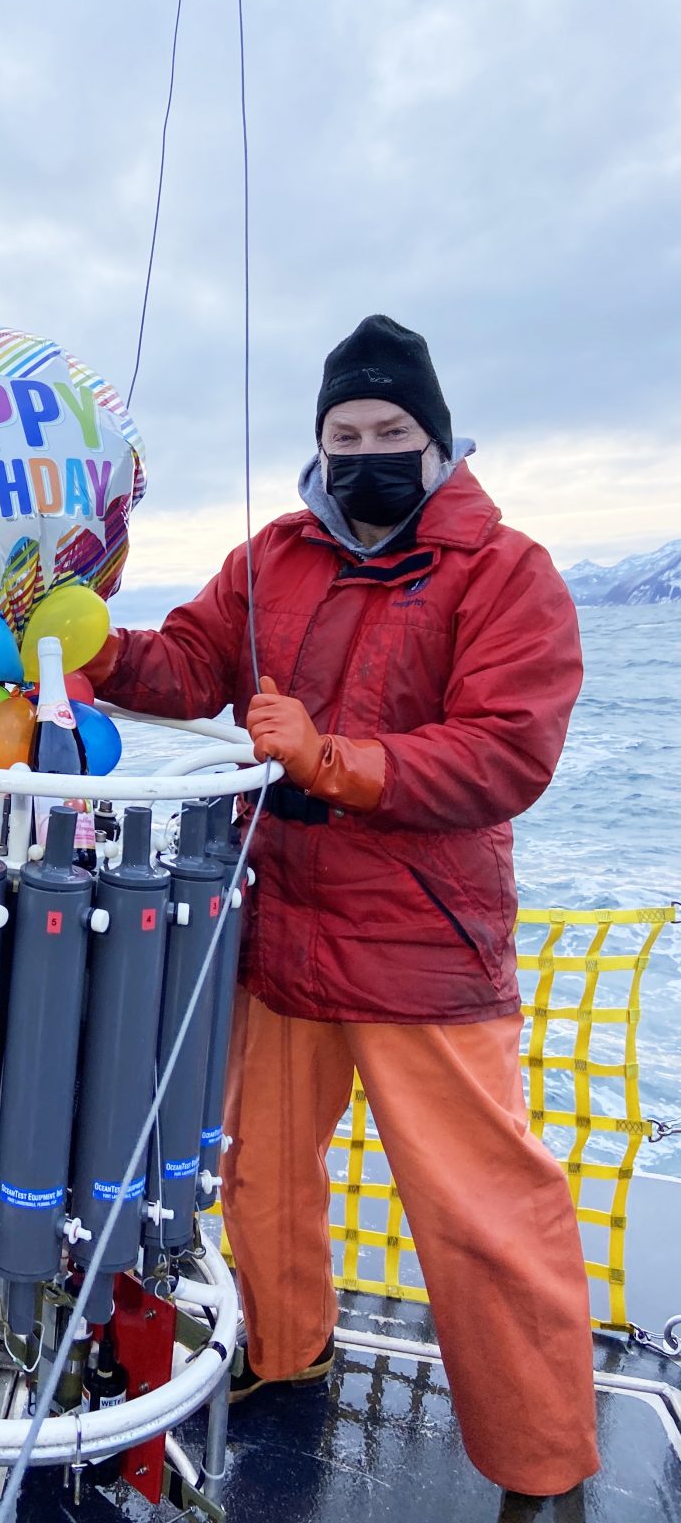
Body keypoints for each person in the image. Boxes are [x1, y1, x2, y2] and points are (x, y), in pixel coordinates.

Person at [86, 315, 599, 1499]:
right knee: (260, 1173)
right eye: (344, 432)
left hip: (424, 943)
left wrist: (330, 759)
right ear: (318, 445)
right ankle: (284, 1358)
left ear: (438, 441)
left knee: (482, 1214)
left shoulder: (506, 570)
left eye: (391, 432)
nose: (366, 450)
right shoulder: (271, 558)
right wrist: (90, 650)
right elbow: (188, 668)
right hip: (281, 937)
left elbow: (505, 753)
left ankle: (545, 1463)